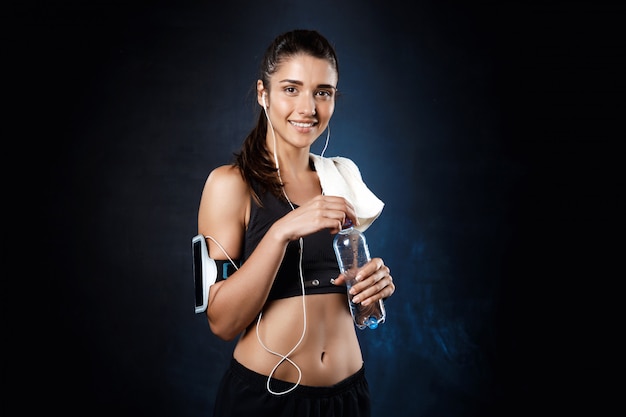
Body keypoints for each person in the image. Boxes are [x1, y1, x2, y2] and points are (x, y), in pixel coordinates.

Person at [197, 29, 396, 417]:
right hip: (268, 400)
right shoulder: (230, 184)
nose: (308, 107)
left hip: (349, 398)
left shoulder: (342, 176)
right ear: (263, 93)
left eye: (323, 92)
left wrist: (373, 296)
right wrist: (281, 231)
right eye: (291, 88)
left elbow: (355, 300)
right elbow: (220, 322)